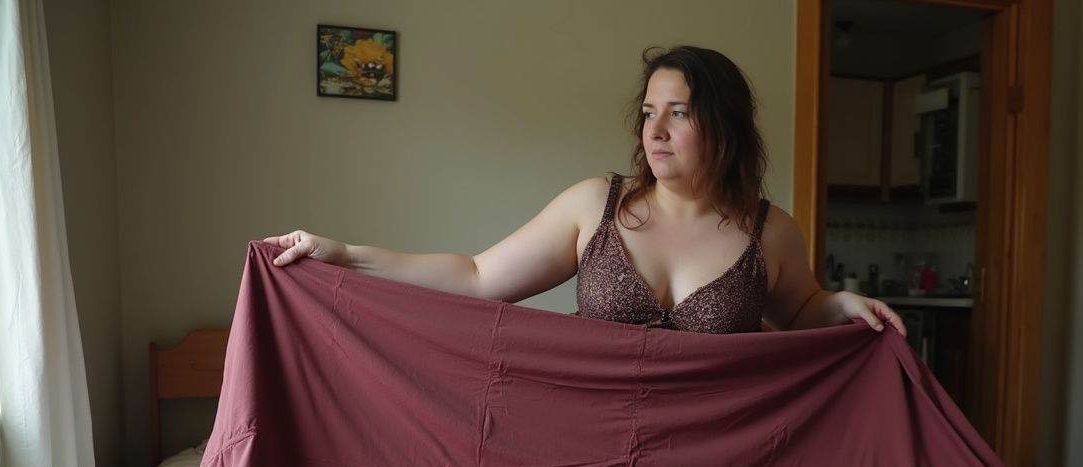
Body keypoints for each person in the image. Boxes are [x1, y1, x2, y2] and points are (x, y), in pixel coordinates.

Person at [265, 45, 906, 337]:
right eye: (650, 111)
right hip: (588, 448)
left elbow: (798, 314)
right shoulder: (596, 205)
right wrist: (344, 254)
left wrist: (842, 305)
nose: (655, 129)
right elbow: (477, 275)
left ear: (724, 126)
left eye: (678, 113)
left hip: (713, 466)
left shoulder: (771, 230)